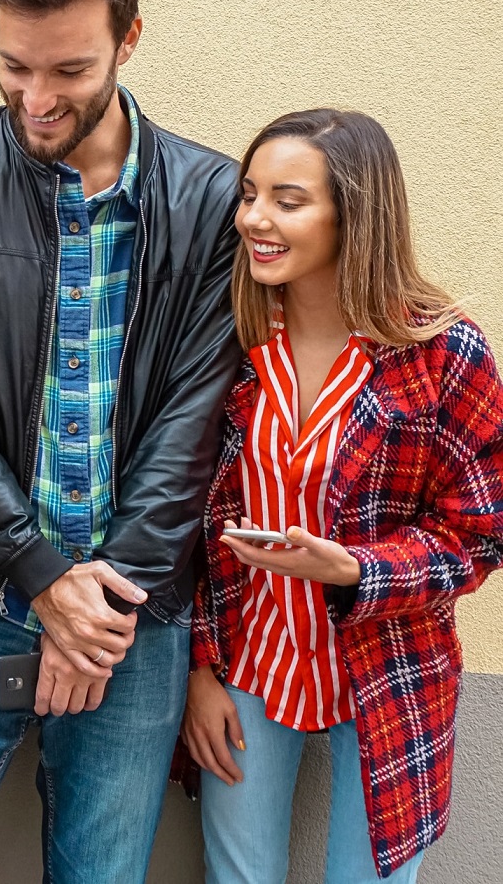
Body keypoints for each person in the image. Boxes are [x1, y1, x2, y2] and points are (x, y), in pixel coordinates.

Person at [0, 0, 245, 880]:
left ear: (129, 38)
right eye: (13, 66)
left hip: (135, 618)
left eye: (67, 70)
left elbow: (194, 425)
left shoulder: (211, 199)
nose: (36, 97)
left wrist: (95, 606)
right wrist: (42, 580)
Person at [177, 108, 503, 883]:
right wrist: (198, 670)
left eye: (287, 201)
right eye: (250, 194)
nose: (255, 218)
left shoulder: (440, 355)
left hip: (391, 669)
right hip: (249, 661)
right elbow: (188, 522)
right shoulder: (236, 344)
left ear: (354, 212)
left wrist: (357, 569)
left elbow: (480, 535)